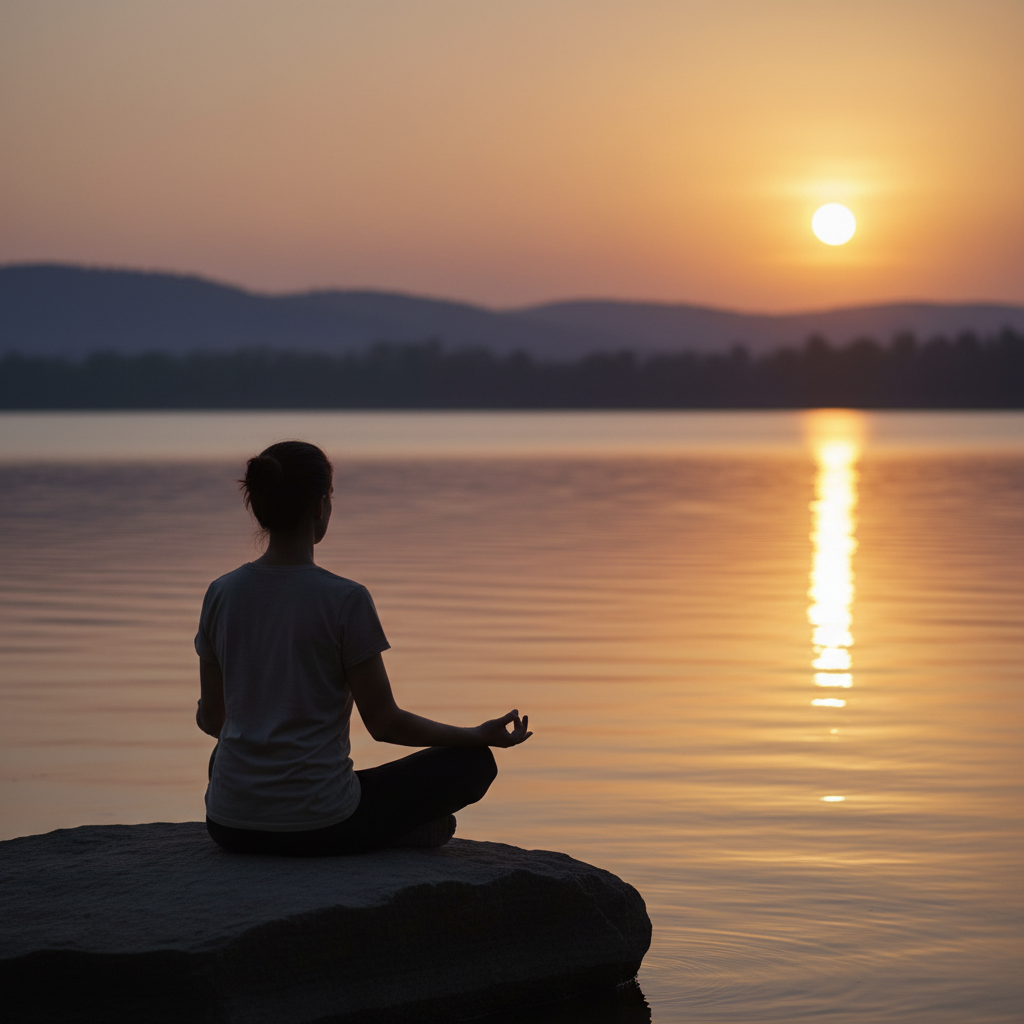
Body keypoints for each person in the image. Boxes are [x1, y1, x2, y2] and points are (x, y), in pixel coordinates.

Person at [195, 440, 531, 856]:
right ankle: (393, 832)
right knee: (471, 763)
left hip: (230, 825)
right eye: (331, 497)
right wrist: (473, 735)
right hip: (322, 824)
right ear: (320, 506)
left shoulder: (221, 593)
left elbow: (212, 719)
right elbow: (384, 724)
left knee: (224, 755)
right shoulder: (345, 600)